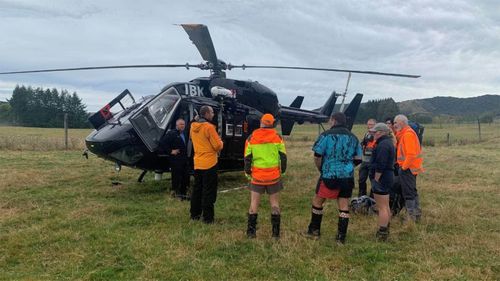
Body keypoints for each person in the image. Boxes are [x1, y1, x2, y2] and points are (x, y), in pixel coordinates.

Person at [305, 112, 362, 244]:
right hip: (347, 177)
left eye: (330, 120)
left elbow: (317, 155)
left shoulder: (325, 136)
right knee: (343, 205)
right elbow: (359, 158)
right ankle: (341, 237)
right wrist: (349, 167)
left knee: (318, 202)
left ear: (334, 120)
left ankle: (314, 231)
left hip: (329, 175)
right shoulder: (353, 137)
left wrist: (321, 168)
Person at [244, 113, 287, 239]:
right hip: (273, 176)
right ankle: (275, 234)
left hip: (257, 176)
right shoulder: (277, 137)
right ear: (272, 123)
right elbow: (283, 157)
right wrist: (282, 172)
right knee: (274, 204)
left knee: (254, 204)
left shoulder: (251, 138)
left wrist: (248, 173)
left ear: (261, 122)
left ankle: (251, 233)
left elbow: (247, 158)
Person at [189, 105, 223, 223]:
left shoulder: (193, 126)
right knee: (209, 191)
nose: (213, 114)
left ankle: (194, 215)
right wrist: (221, 142)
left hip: (198, 162)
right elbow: (217, 145)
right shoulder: (209, 127)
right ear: (207, 114)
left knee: (197, 190)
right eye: (212, 112)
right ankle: (208, 219)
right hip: (210, 163)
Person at [393, 114, 424, 222]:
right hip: (411, 168)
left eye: (395, 122)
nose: (394, 125)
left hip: (408, 169)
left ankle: (411, 217)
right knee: (412, 191)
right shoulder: (405, 133)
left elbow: (411, 154)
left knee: (408, 193)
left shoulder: (407, 134)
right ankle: (417, 214)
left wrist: (403, 168)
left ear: (402, 122)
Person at [368, 123, 395, 241]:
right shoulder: (387, 142)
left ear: (381, 132)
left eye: (375, 132)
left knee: (382, 207)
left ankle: (382, 233)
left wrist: (376, 179)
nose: (373, 134)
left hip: (382, 178)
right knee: (386, 205)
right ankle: (385, 229)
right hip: (387, 176)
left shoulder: (383, 145)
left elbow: (381, 164)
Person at [163, 118, 190, 200]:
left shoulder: (184, 134)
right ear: (176, 125)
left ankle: (184, 193)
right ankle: (176, 193)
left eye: (183, 124)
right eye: (181, 124)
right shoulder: (171, 133)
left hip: (184, 160)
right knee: (176, 177)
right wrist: (171, 151)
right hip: (176, 160)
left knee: (185, 176)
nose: (182, 126)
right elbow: (163, 144)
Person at [358, 118, 377, 197]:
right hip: (364, 161)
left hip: (373, 162)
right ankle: (362, 196)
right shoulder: (366, 134)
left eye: (371, 124)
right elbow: (362, 145)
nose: (369, 126)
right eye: (368, 124)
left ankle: (372, 197)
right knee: (361, 179)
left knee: (373, 180)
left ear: (375, 125)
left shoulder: (377, 135)